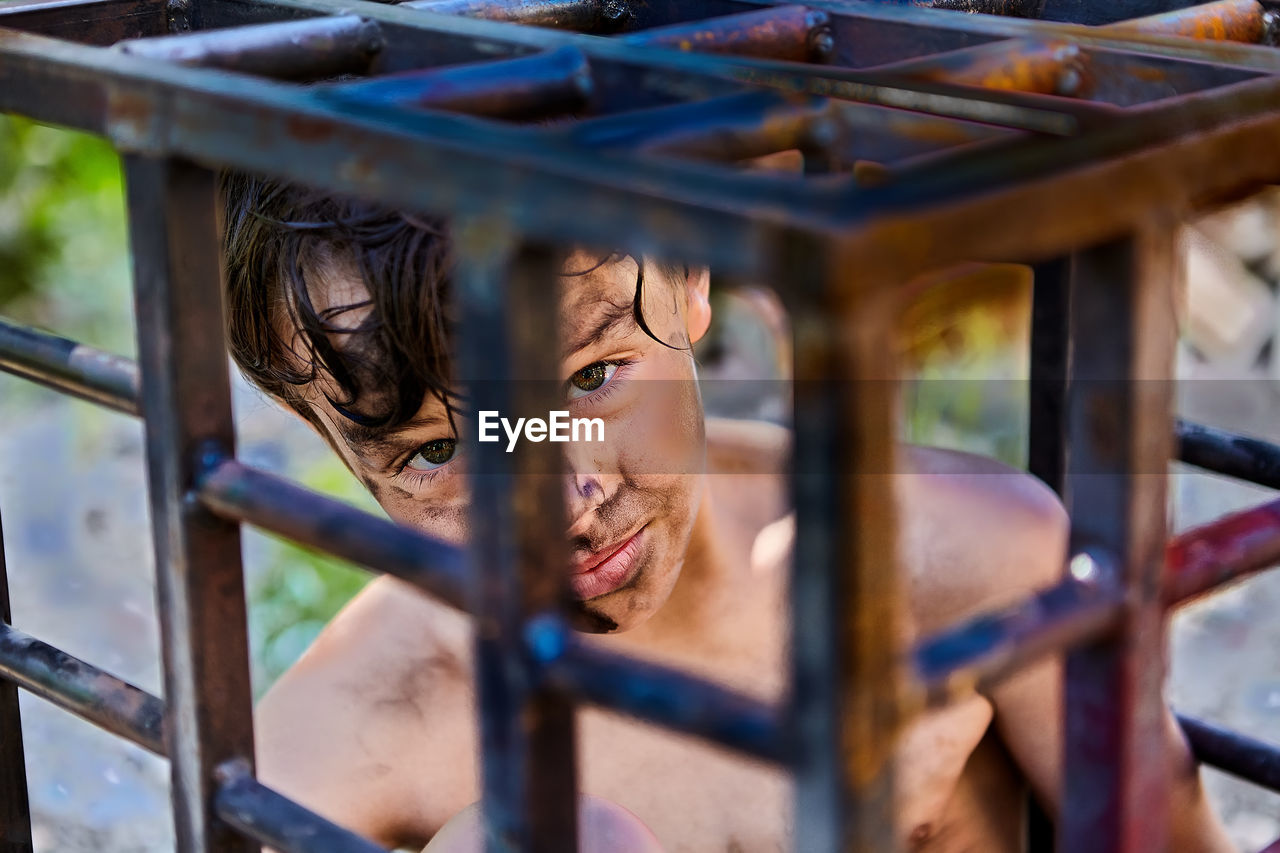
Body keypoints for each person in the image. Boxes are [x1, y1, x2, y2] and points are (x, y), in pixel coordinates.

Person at [219, 173, 1234, 852]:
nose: (561, 504)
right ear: (320, 431)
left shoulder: (947, 551)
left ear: (689, 270)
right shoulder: (350, 737)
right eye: (437, 452)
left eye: (590, 377)